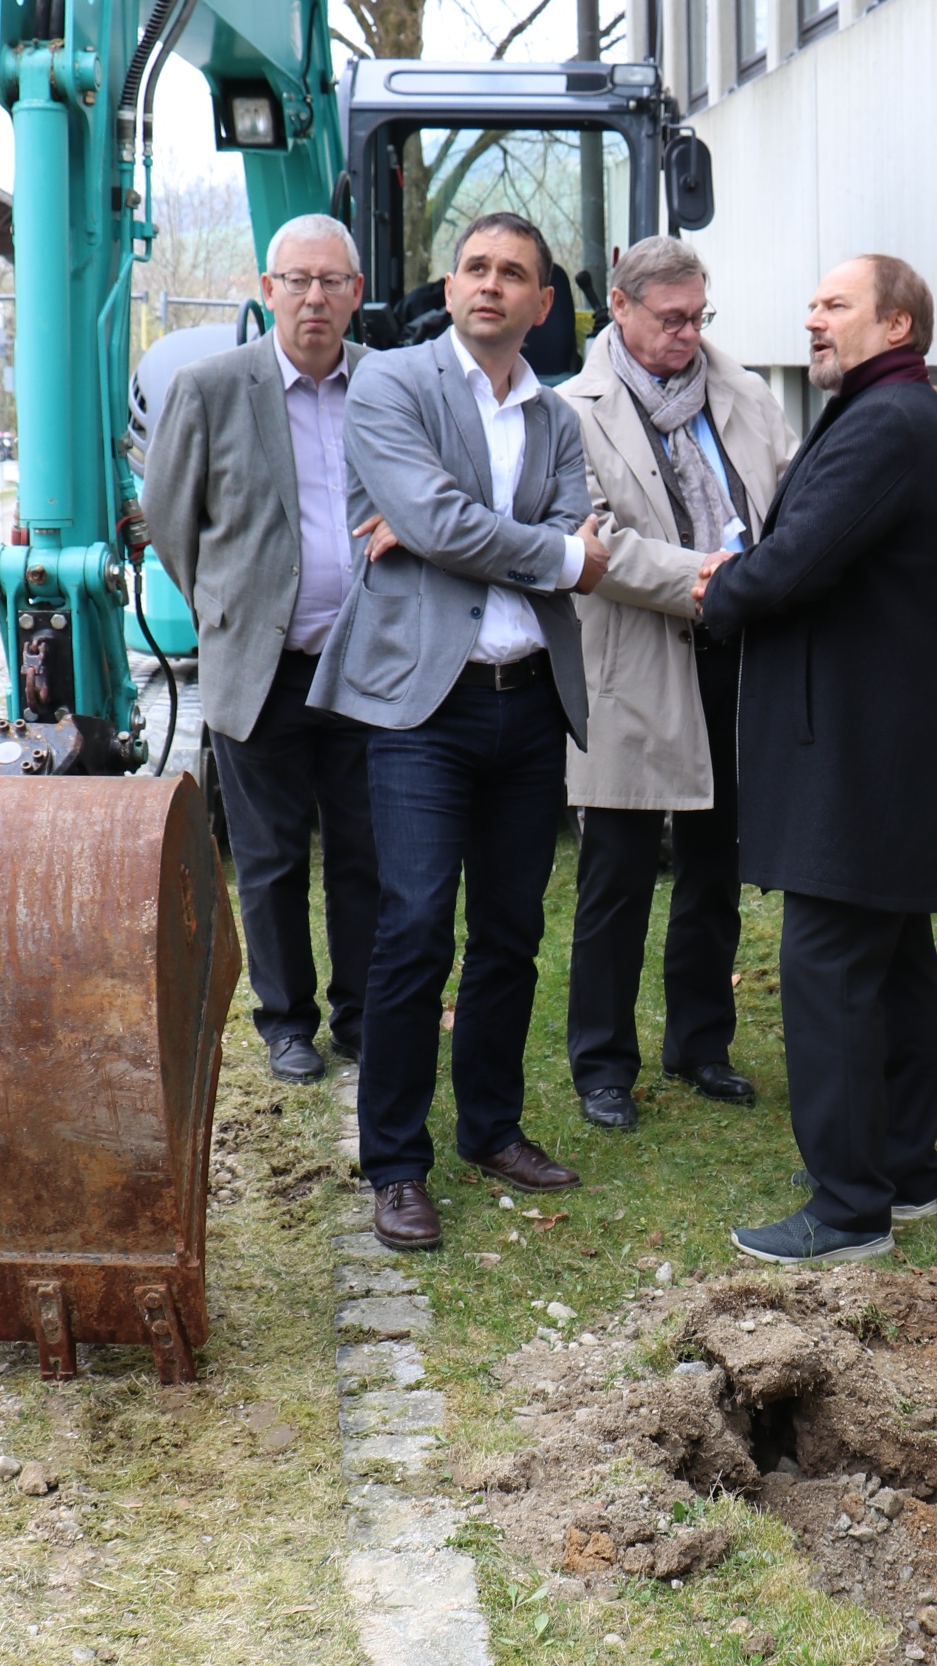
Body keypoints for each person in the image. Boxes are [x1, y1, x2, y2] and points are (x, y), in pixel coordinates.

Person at [309, 212, 609, 1252]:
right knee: (415, 927)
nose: (490, 285)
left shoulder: (557, 417)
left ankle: (490, 1128)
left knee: (512, 932)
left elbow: (486, 525)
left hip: (527, 701)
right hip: (422, 707)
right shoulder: (391, 383)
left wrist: (441, 530)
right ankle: (395, 1160)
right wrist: (541, 553)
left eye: (512, 274)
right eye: (475, 268)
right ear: (449, 286)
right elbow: (547, 546)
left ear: (539, 303)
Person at [696, 253, 937, 1263]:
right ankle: (902, 1176)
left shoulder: (887, 424)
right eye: (810, 303)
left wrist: (720, 588)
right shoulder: (892, 415)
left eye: (834, 305)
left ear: (895, 325)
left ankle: (847, 1209)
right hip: (877, 744)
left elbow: (797, 559)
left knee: (827, 967)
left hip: (853, 754)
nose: (811, 319)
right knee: (888, 964)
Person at [560, 236, 796, 1130]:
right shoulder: (569, 411)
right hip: (634, 661)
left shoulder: (744, 393)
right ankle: (602, 1064)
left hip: (739, 654)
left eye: (699, 317)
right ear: (619, 309)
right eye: (670, 319)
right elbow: (596, 542)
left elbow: (786, 495)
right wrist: (714, 578)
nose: (687, 335)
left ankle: (702, 1042)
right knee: (616, 870)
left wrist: (758, 583)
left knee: (717, 861)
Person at [142, 215, 380, 1086]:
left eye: (332, 281)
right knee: (272, 857)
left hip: (366, 665)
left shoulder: (386, 387)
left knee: (366, 852)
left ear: (356, 293)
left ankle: (360, 1014)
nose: (314, 297)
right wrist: (227, 607)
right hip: (260, 669)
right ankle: (287, 1023)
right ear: (268, 288)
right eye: (297, 280)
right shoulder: (211, 390)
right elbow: (172, 521)